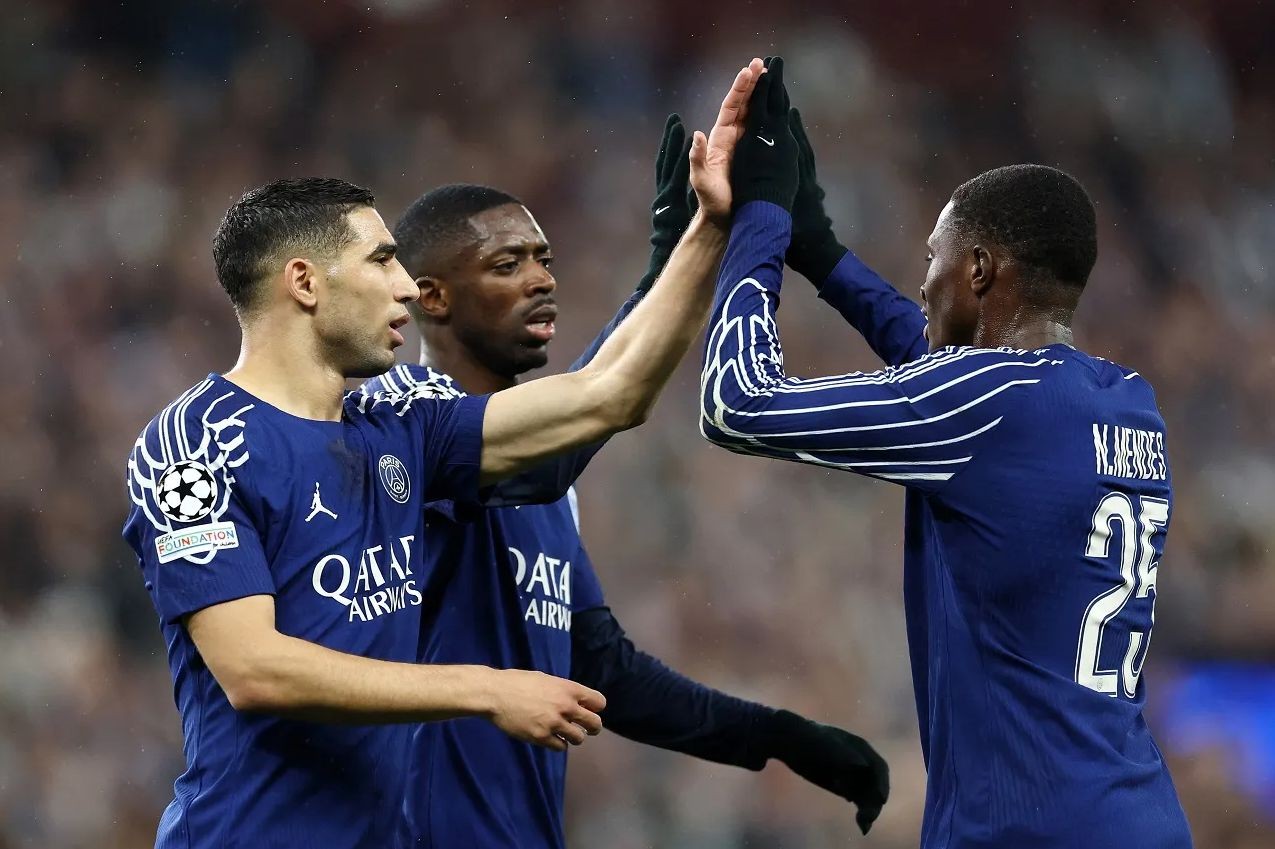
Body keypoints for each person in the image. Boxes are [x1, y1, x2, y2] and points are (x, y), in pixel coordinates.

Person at [121, 59, 765, 849]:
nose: (405, 288)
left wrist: (707, 230)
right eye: (380, 260)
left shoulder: (403, 426)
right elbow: (255, 670)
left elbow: (610, 395)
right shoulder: (194, 443)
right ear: (305, 282)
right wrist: (484, 687)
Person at [698, 57, 1192, 848]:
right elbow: (943, 372)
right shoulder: (1124, 399)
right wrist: (820, 251)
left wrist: (757, 225)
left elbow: (736, 404)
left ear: (980, 269)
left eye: (933, 257)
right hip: (1137, 815)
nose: (923, 281)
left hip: (1026, 832)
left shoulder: (988, 404)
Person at [362, 114, 889, 848]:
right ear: (433, 297)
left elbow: (604, 669)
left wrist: (777, 735)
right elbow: (589, 413)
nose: (542, 279)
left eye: (543, 259)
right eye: (507, 264)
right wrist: (685, 252)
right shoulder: (398, 423)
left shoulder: (553, 491)